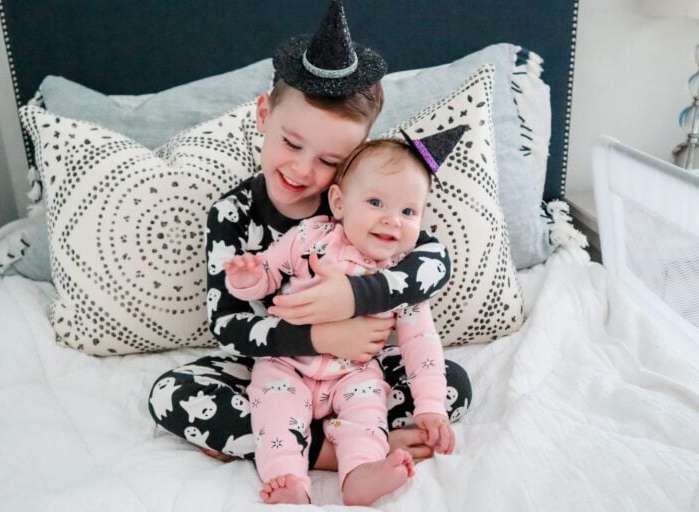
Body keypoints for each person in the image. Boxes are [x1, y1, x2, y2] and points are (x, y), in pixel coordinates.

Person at [148, 0, 471, 480]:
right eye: (292, 144)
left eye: (327, 160)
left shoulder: (359, 206)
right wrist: (319, 334)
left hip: (359, 373)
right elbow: (228, 324)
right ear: (264, 115)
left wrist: (355, 296)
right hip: (273, 368)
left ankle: (289, 441)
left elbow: (432, 259)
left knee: (452, 386)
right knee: (171, 393)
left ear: (353, 159)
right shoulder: (232, 213)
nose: (302, 170)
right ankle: (332, 451)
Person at [225, 135, 462, 505]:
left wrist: (431, 408)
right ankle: (288, 477)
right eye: (375, 202)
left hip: (355, 371)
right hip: (288, 364)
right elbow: (268, 273)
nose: (391, 220)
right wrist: (246, 278)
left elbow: (422, 345)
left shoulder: (400, 275)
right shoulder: (309, 237)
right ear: (339, 203)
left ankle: (360, 472)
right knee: (274, 408)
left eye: (408, 212)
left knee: (368, 409)